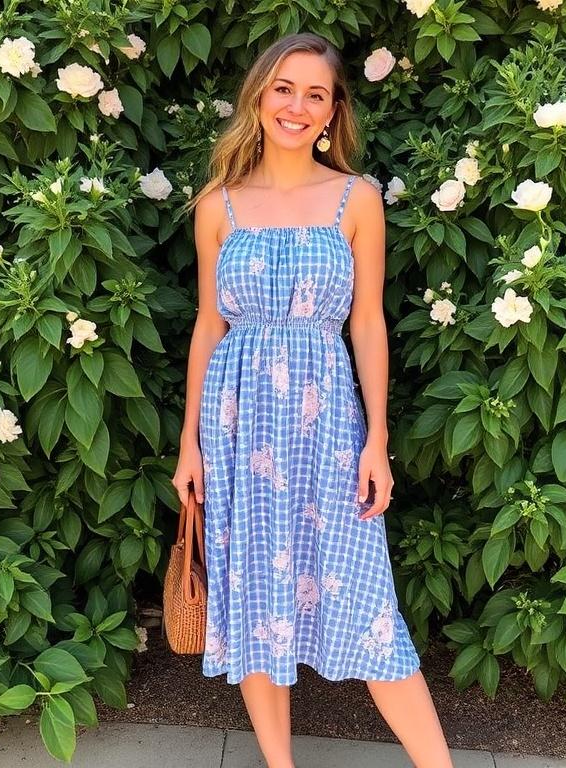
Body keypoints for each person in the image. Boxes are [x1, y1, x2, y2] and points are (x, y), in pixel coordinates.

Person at [174, 32, 454, 768]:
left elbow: (368, 323)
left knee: (368, 605)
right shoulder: (219, 206)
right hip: (237, 427)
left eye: (315, 94)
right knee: (256, 601)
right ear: (260, 97)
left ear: (332, 112)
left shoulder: (357, 199)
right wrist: (189, 445)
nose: (297, 106)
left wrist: (376, 441)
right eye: (284, 88)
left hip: (327, 426)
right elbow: (209, 326)